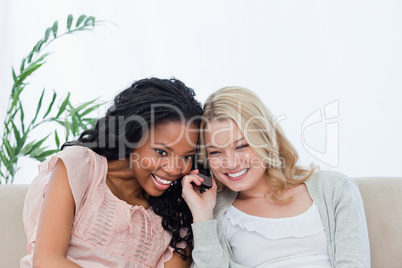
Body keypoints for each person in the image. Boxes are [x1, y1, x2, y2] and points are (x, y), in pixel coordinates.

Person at [21, 77, 203, 268]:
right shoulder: (81, 168)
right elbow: (47, 261)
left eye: (186, 157)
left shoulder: (176, 218)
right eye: (161, 152)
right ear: (133, 137)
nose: (174, 169)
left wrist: (201, 212)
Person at [182, 86, 370, 268]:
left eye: (241, 146)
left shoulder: (335, 189)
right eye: (215, 153)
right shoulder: (215, 213)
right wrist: (203, 217)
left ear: (265, 139)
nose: (230, 163)